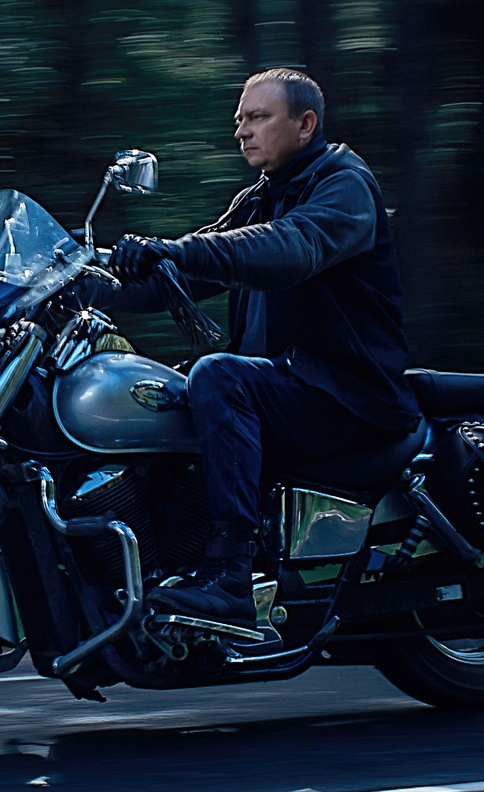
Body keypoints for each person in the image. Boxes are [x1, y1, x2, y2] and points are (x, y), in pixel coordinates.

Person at [106, 68, 416, 634]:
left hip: (347, 394)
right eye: (239, 120)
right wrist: (81, 281)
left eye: (258, 117)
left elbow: (293, 246)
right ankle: (161, 569)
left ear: (305, 123)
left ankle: (231, 576)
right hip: (291, 386)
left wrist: (174, 249)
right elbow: (184, 276)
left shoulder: (344, 184)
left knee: (219, 376)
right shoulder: (261, 196)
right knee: (157, 394)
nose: (242, 131)